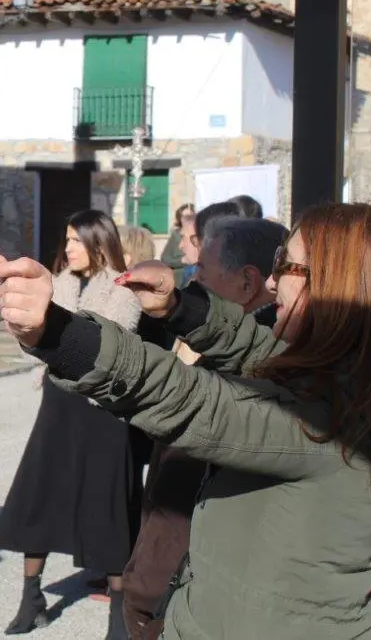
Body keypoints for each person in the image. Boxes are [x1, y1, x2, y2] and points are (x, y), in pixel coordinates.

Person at [0, 202, 371, 639]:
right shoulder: (353, 372)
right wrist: (178, 307)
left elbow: (191, 400)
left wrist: (54, 332)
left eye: (287, 265)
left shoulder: (339, 417)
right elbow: (252, 344)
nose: (274, 281)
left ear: (334, 284)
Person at [121, 216, 288, 640]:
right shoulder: (226, 354)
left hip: (180, 598)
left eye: (202, 273)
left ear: (247, 283)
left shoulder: (258, 379)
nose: (193, 281)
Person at [0, 210, 141, 638]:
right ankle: (31, 597)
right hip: (59, 401)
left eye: (76, 240)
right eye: (68, 239)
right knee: (39, 494)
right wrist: (24, 326)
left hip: (104, 408)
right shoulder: (56, 281)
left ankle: (120, 615)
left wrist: (52, 329)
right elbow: (35, 344)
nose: (69, 248)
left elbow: (111, 338)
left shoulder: (122, 285)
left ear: (98, 242)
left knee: (107, 505)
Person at [159, 204, 194, 287]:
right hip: (178, 283)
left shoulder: (202, 235)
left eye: (190, 216)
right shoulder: (175, 236)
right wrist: (181, 261)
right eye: (184, 216)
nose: (187, 219)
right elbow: (164, 260)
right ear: (180, 218)